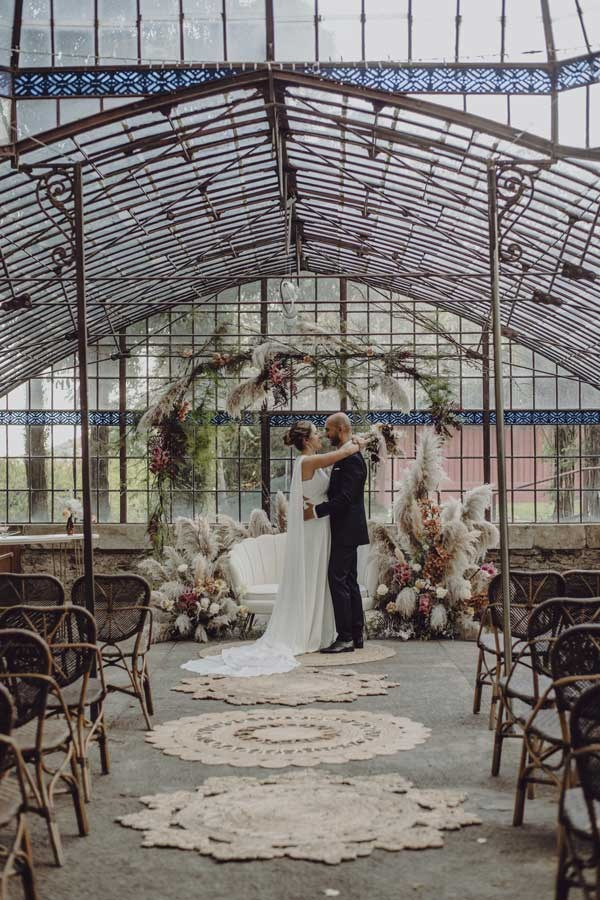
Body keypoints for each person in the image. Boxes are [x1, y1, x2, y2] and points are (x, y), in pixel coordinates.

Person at [180, 420, 364, 678]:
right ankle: (312, 631)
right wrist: (358, 443)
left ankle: (329, 630)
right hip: (315, 528)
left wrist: (356, 442)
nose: (321, 436)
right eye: (317, 433)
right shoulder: (307, 461)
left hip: (322, 527)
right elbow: (342, 454)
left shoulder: (315, 460)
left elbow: (339, 466)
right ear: (307, 440)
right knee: (319, 577)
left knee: (327, 579)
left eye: (324, 431)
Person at [304, 412, 370, 653]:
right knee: (349, 581)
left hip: (346, 529)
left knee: (338, 579)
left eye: (328, 429)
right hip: (345, 529)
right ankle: (356, 635)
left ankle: (346, 637)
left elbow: (345, 498)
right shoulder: (346, 454)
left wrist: (316, 511)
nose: (326, 434)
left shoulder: (352, 459)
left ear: (340, 429)